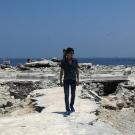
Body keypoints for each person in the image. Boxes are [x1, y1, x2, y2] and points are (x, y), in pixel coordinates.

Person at [60, 47, 79, 115]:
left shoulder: (75, 60)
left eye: (73, 53)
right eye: (71, 53)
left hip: (73, 80)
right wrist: (60, 80)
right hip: (66, 80)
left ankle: (71, 106)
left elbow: (77, 70)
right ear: (67, 54)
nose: (72, 54)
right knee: (66, 95)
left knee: (73, 94)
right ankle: (67, 109)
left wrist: (78, 79)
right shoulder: (63, 61)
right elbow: (61, 71)